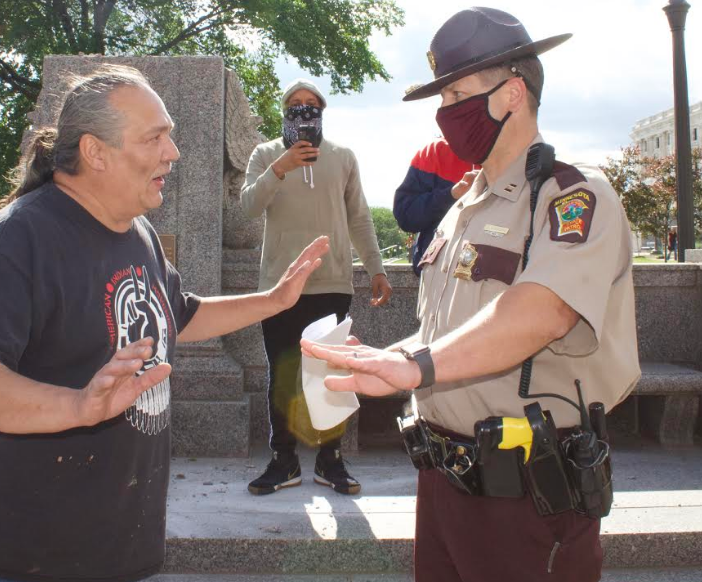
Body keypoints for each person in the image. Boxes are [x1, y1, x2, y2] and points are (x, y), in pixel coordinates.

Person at [0, 65, 330, 582]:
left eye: (171, 136)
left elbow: (180, 315)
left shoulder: (135, 231)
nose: (173, 153)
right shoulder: (18, 239)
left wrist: (274, 301)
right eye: (155, 137)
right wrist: (78, 406)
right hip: (17, 560)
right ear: (95, 152)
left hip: (111, 555)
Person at [301, 7, 640, 582]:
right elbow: (449, 330)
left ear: (512, 94)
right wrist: (391, 358)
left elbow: (543, 311)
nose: (444, 113)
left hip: (527, 495)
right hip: (442, 482)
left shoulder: (571, 196)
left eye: (457, 92)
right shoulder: (464, 206)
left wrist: (418, 365)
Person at [241, 78, 392, 496]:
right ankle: (283, 461)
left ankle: (331, 460)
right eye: (295, 104)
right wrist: (281, 168)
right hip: (279, 286)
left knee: (330, 375)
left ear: (322, 111)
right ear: (284, 111)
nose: (304, 110)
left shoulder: (343, 157)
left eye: (312, 104)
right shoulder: (265, 154)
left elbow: (359, 216)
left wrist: (376, 268)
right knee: (283, 377)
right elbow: (248, 206)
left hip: (331, 283)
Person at [393, 139, 475, 276]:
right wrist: (451, 195)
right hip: (435, 279)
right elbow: (405, 215)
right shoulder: (435, 152)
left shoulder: (520, 156)